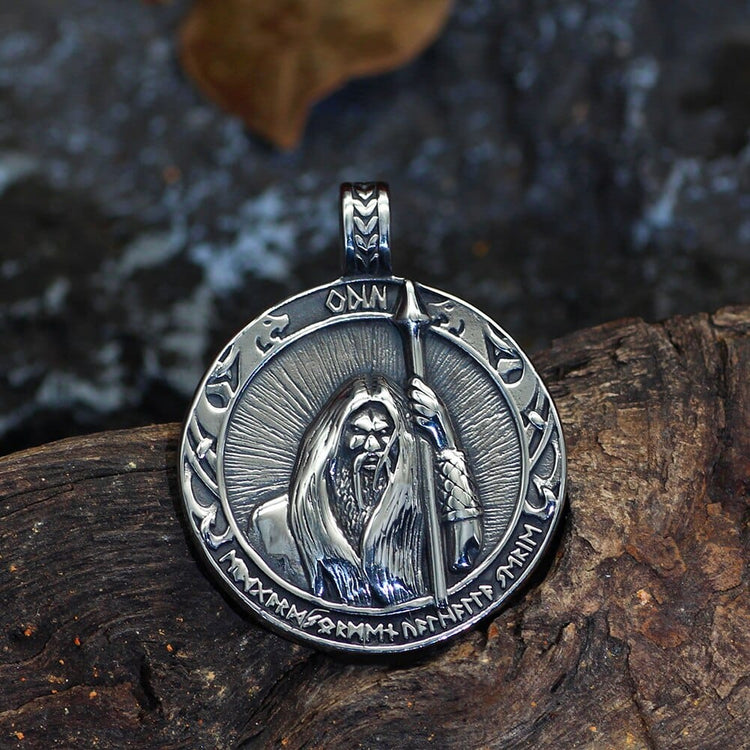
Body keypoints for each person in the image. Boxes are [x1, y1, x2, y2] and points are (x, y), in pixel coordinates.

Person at [252, 374, 482, 607]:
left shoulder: (426, 513)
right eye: (358, 432)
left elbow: (464, 558)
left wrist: (444, 442)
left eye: (383, 433)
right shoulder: (274, 522)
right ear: (332, 439)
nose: (372, 446)